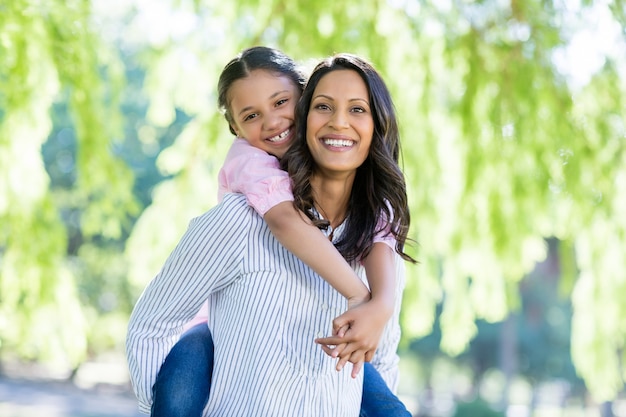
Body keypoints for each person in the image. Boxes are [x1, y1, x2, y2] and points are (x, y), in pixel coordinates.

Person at [126, 50, 414, 417]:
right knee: (181, 383)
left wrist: (380, 304)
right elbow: (283, 220)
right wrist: (361, 297)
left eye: (282, 102)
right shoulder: (247, 194)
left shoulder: (376, 239)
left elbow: (383, 355)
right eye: (251, 115)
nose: (274, 121)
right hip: (208, 329)